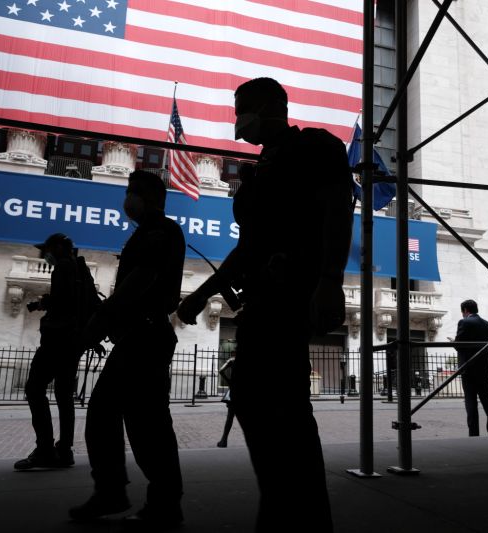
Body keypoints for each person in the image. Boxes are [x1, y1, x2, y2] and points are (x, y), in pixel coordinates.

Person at [177, 77, 352, 533]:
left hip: (291, 294)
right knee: (255, 402)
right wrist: (201, 293)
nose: (240, 119)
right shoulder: (262, 166)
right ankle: (282, 505)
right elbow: (248, 249)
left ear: (273, 105)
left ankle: (302, 515)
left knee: (285, 409)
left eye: (244, 108)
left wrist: (329, 280)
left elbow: (338, 209)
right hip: (262, 300)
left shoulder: (315, 146)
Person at [69, 170, 185, 530]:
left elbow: (141, 280)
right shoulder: (152, 231)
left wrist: (101, 319)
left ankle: (125, 494)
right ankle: (146, 498)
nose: (126, 201)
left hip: (145, 338)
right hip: (141, 337)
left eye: (130, 193)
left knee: (128, 418)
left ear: (145, 197)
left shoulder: (159, 231)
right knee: (141, 421)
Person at [14, 233, 87, 470]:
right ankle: (64, 451)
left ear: (56, 247)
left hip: (58, 339)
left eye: (46, 250)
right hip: (73, 340)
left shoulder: (63, 267)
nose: (45, 255)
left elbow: (62, 302)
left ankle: (45, 449)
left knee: (34, 389)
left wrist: (44, 303)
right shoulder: (78, 268)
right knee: (64, 396)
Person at [454, 299, 488, 437]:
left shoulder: (464, 322)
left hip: (469, 368)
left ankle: (474, 433)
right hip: (484, 368)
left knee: (471, 402)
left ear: (465, 310)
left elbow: (459, 345)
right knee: (487, 401)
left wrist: (454, 342)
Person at [216, 354, 236, 448]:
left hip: (234, 390)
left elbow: (221, 370)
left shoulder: (232, 360)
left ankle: (224, 440)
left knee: (230, 417)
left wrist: (229, 381)